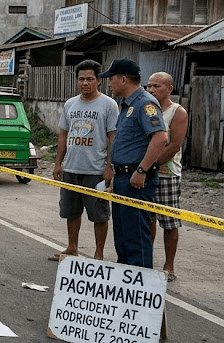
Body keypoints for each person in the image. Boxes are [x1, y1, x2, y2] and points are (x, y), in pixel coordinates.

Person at [98, 58, 167, 268]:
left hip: (135, 180)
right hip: (123, 178)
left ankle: (141, 289)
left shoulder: (145, 103)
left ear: (124, 79)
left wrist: (141, 169)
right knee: (123, 235)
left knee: (136, 235)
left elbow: (160, 138)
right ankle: (126, 287)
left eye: (112, 79)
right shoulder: (128, 105)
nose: (109, 83)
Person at [50, 60, 118, 262]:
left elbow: (113, 137)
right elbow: (63, 135)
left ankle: (98, 254)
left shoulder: (108, 105)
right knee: (71, 211)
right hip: (71, 168)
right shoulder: (70, 104)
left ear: (98, 81)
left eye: (90, 79)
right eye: (81, 79)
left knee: (99, 214)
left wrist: (109, 167)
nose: (85, 83)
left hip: (96, 170)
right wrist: (58, 163)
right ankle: (72, 248)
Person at [146, 71, 188, 282]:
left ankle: (169, 266)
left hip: (167, 175)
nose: (152, 90)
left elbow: (174, 146)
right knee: (148, 219)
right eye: (149, 86)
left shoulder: (177, 112)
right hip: (144, 173)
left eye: (157, 86)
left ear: (169, 89)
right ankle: (147, 262)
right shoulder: (147, 110)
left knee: (169, 222)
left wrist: (150, 166)